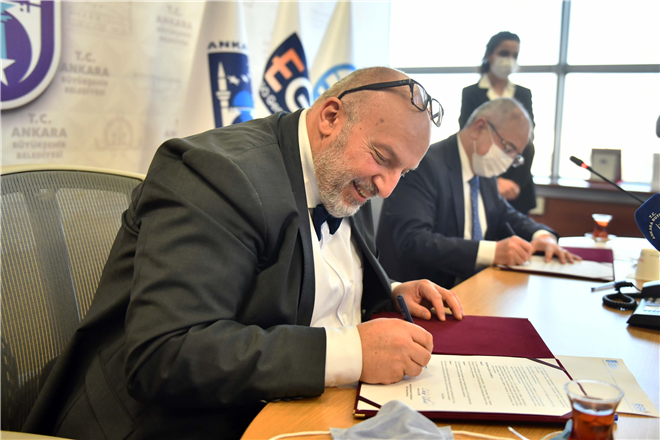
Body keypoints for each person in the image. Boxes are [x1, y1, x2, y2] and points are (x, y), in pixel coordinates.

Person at [22, 67, 464, 439]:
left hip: (295, 410)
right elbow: (166, 354)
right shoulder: (217, 174)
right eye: (383, 158)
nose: (388, 187)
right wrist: (353, 352)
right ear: (331, 117)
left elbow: (303, 275)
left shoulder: (342, 171)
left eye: (404, 171)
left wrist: (389, 290)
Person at [377, 98, 580, 289]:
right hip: (423, 295)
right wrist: (492, 252)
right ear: (479, 128)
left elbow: (505, 214)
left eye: (515, 156)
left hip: (476, 288)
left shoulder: (482, 168)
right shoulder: (425, 165)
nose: (509, 161)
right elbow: (413, 241)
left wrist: (542, 236)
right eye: (508, 148)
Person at [459, 31, 537, 215]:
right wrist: (493, 182)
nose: (509, 59)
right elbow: (467, 137)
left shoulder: (523, 94)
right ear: (489, 54)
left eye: (515, 55)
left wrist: (515, 183)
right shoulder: (471, 93)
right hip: (482, 178)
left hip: (518, 184)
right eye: (504, 53)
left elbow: (527, 141)